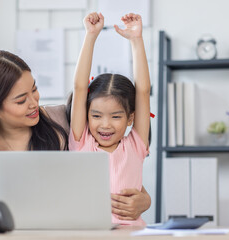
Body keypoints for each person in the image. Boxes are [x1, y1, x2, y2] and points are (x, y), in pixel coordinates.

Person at [0, 49, 151, 220]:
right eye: (21, 100)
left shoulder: (59, 118)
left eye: (34, 89)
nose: (34, 103)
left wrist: (145, 200)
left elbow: (116, 169)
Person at [68, 12, 151, 226]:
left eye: (115, 116)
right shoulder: (81, 143)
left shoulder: (136, 145)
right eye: (96, 116)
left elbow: (142, 91)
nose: (105, 124)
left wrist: (136, 40)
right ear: (87, 116)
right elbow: (79, 87)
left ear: (130, 117)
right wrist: (90, 36)